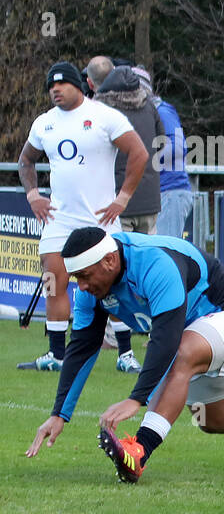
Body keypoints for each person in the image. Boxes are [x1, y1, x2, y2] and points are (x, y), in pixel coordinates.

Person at [25, 227, 224, 484]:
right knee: (215, 420)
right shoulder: (92, 287)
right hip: (195, 332)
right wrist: (59, 414)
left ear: (110, 260)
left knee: (181, 354)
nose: (83, 287)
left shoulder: (155, 263)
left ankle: (140, 451)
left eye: (85, 277)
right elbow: (82, 348)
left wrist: (137, 397)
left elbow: (165, 339)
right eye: (77, 279)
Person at [16, 62, 147, 373]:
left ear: (80, 85)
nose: (55, 90)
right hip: (60, 219)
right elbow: (25, 160)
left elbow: (139, 153)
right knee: (53, 279)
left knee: (113, 282)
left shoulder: (105, 116)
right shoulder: (44, 123)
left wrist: (122, 199)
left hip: (99, 218)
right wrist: (34, 195)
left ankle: (125, 354)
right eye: (51, 86)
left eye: (62, 85)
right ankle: (57, 355)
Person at [92, 64, 166, 374]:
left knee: (112, 270)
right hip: (149, 197)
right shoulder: (150, 107)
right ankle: (158, 333)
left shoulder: (102, 113)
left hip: (116, 202)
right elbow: (161, 141)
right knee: (149, 269)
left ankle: (114, 337)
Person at [133, 66, 196, 240]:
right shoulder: (143, 114)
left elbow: (177, 148)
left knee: (165, 252)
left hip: (169, 193)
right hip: (156, 195)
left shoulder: (162, 111)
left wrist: (143, 163)